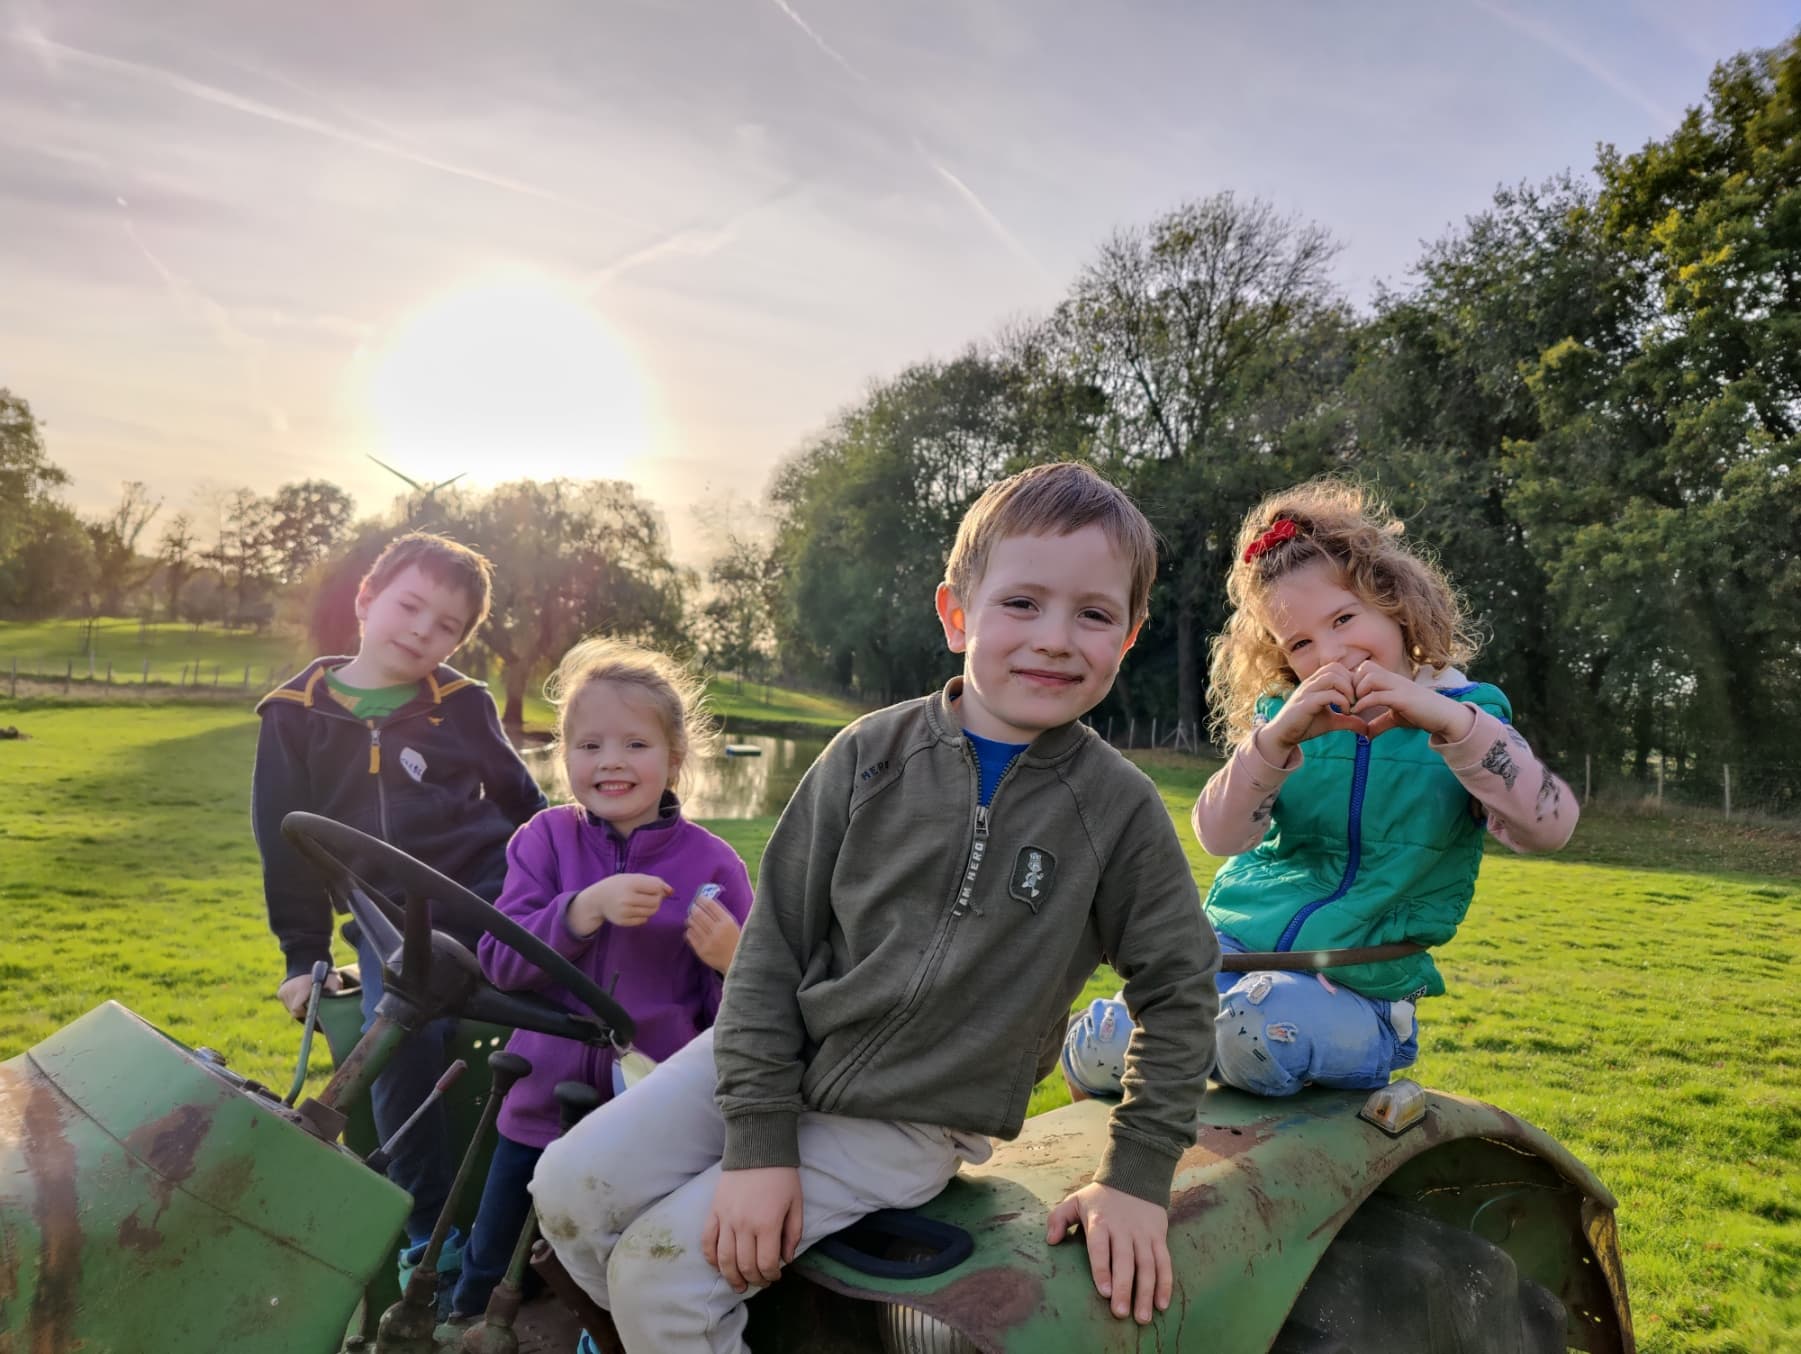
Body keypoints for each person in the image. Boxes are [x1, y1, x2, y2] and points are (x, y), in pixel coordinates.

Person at [530, 461, 1220, 1352]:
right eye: (1022, 603)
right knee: (566, 1190)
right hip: (780, 1062)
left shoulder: (1115, 807)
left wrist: (1136, 1173)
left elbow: (1178, 984)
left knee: (661, 1274)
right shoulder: (868, 757)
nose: (1055, 638)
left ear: (1127, 638)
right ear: (956, 614)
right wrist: (761, 1141)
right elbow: (771, 951)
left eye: (1092, 614)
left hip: (913, 1118)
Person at [1063, 479, 1577, 1105]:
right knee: (1097, 1045)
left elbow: (1550, 825)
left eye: (1343, 619)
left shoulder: (1469, 715)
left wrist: (1447, 721)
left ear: (1394, 602)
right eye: (1301, 643)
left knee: (1260, 1030)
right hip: (1226, 958)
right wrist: (1275, 742)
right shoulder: (1284, 720)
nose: (1330, 653)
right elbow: (1218, 835)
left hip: (1357, 994)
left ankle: (1200, 1057)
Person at [250, 531, 546, 1283]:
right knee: (401, 1031)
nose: (423, 631)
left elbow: (527, 809)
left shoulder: (463, 703)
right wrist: (300, 960)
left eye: (447, 627)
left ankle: (548, 1212)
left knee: (565, 1014)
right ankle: (429, 1224)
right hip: (388, 921)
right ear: (366, 599)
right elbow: (287, 849)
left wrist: (560, 879)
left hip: (487, 894)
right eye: (410, 607)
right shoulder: (294, 715)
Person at [441, 638, 753, 1328]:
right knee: (492, 1264)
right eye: (588, 746)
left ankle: (604, 1335)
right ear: (564, 758)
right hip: (535, 1101)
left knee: (619, 1265)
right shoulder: (544, 840)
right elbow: (499, 960)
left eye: (635, 744)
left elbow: (736, 1020)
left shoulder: (714, 865)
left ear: (674, 758)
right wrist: (582, 910)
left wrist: (736, 962)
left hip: (645, 1116)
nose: (610, 760)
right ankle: (463, 1327)